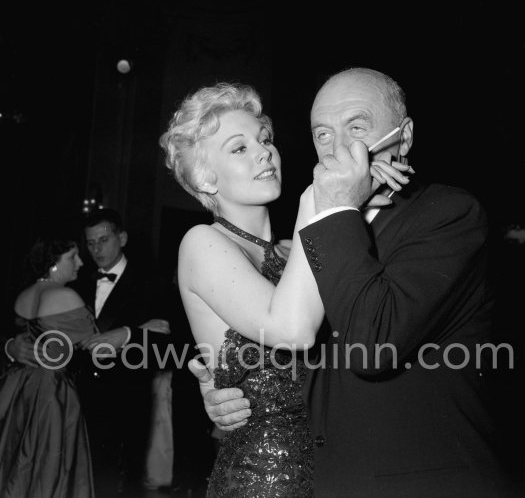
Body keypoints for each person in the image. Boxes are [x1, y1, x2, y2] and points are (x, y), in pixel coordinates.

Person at [190, 68, 511, 497]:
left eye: (357, 127)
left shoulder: (447, 214)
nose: (338, 147)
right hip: (314, 477)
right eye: (322, 134)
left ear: (405, 136)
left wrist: (333, 209)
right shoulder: (316, 235)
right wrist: (223, 382)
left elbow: (373, 344)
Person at [159, 82, 409, 497]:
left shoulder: (293, 251)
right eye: (239, 148)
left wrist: (365, 197)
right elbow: (292, 330)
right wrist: (321, 196)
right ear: (204, 178)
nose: (265, 152)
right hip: (262, 477)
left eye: (265, 139)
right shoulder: (201, 242)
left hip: (333, 470)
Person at [72, 208, 169, 494]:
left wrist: (129, 334)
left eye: (103, 240)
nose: (97, 249)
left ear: (122, 238)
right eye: (90, 243)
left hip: (127, 397)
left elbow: (170, 341)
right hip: (80, 395)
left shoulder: (151, 284)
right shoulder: (77, 283)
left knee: (124, 482)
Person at [0, 235, 96, 497]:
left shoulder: (24, 294)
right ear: (53, 263)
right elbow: (98, 343)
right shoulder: (64, 295)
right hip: (50, 390)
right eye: (72, 257)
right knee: (49, 464)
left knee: (18, 458)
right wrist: (140, 331)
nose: (79, 263)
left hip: (17, 384)